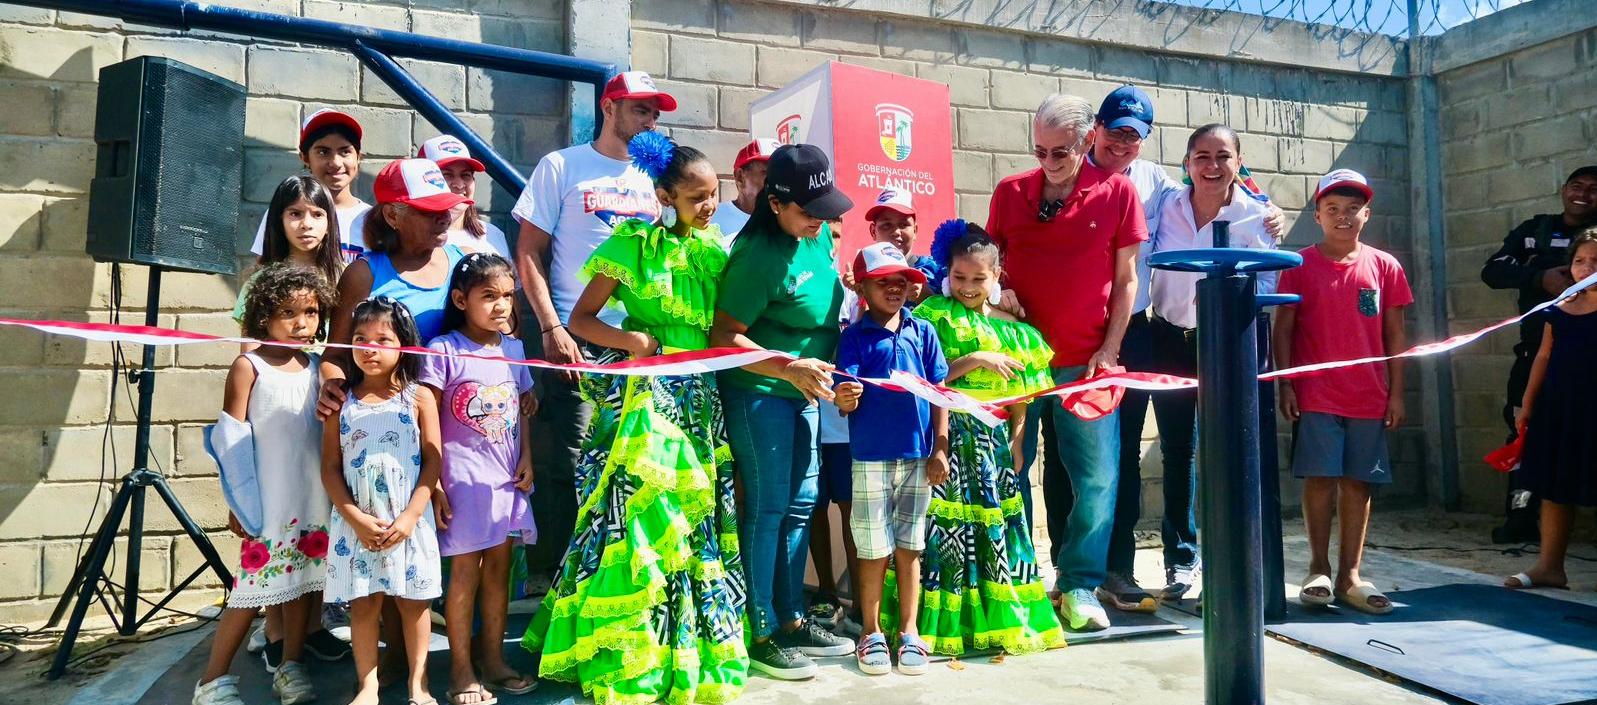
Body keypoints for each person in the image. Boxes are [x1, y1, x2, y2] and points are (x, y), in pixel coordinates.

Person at [523, 132, 748, 704]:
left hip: (700, 400)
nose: (708, 206)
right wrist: (632, 339)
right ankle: (627, 648)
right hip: (648, 397)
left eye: (714, 194)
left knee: (690, 524)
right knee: (642, 517)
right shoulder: (634, 243)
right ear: (665, 195)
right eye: (697, 197)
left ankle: (683, 646)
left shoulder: (715, 249)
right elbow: (582, 320)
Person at [985, 94, 1146, 632]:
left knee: (1098, 479)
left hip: (1086, 364)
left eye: (1059, 152)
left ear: (1085, 142)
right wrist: (998, 293)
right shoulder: (1010, 193)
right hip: (1017, 366)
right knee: (1011, 473)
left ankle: (1079, 584)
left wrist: (1110, 350)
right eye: (1038, 151)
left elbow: (1126, 282)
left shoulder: (1118, 192)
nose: (1048, 161)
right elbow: (989, 269)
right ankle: (1022, 580)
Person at [511, 71, 671, 589]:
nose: (649, 120)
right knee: (579, 464)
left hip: (646, 345)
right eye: (640, 109)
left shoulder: (659, 179)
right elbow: (528, 252)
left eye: (654, 112)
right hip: (578, 339)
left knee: (640, 466)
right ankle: (568, 585)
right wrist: (551, 326)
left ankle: (622, 583)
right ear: (609, 107)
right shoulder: (562, 166)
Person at [710, 143, 856, 679]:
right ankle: (761, 628)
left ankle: (793, 617)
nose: (820, 220)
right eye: (808, 210)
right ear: (774, 204)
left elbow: (825, 317)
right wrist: (787, 367)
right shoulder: (756, 256)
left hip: (806, 396)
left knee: (801, 504)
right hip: (761, 395)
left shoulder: (813, 239)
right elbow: (724, 336)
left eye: (825, 210)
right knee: (769, 507)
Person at [901, 220, 1066, 657]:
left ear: (997, 277)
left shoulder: (1015, 330)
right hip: (948, 435)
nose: (968, 287)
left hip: (994, 443)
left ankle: (998, 613)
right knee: (948, 528)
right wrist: (973, 359)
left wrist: (1016, 441)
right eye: (959, 278)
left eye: (979, 278)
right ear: (946, 273)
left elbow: (1022, 398)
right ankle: (949, 620)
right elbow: (921, 379)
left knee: (995, 523)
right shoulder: (930, 316)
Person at [1141, 124, 1279, 605]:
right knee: (1179, 451)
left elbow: (1265, 287)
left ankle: (1234, 560)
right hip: (1170, 340)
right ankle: (1182, 560)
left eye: (1223, 156)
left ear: (1240, 162)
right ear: (1187, 162)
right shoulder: (1166, 206)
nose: (1212, 166)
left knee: (1230, 450)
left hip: (1228, 343)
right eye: (1202, 156)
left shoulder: (1257, 217)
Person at [192, 265, 336, 705]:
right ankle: (212, 681)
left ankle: (291, 668)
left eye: (310, 312)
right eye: (288, 312)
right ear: (262, 315)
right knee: (251, 592)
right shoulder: (247, 366)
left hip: (312, 498)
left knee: (301, 586)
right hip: (268, 503)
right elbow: (231, 442)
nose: (301, 322)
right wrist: (240, 502)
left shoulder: (317, 369)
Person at [1274, 169, 1411, 616]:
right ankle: (1317, 570)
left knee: (1359, 482)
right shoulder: (1298, 267)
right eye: (1333, 209)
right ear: (1317, 215)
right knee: (1320, 478)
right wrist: (1287, 383)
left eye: (1353, 209)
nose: (1343, 217)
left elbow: (1395, 335)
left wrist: (1396, 393)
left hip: (1369, 396)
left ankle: (1350, 574)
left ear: (1366, 215)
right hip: (1316, 395)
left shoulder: (1384, 266)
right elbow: (1284, 331)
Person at [420, 253, 538, 703]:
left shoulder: (513, 349)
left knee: (500, 573)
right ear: (460, 299)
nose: (501, 306)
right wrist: (432, 480)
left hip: (508, 480)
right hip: (463, 481)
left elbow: (522, 406)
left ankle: (493, 660)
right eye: (489, 296)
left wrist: (527, 454)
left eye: (507, 296)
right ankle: (461, 670)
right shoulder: (443, 350)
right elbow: (425, 412)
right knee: (465, 574)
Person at [831, 241, 949, 676]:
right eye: (883, 282)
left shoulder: (925, 333)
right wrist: (845, 397)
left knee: (910, 545)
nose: (894, 289)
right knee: (873, 548)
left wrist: (940, 447)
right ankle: (871, 633)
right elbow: (846, 397)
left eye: (901, 281)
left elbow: (940, 395)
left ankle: (910, 633)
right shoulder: (854, 338)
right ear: (862, 287)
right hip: (871, 459)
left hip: (919, 458)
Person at [321, 298, 445, 705]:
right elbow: (330, 469)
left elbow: (433, 462)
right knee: (363, 605)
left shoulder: (420, 398)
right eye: (360, 339)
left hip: (408, 521)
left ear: (404, 344)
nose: (369, 348)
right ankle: (368, 685)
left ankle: (419, 684)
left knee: (414, 605)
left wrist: (411, 515)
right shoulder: (341, 402)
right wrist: (354, 518)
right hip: (357, 526)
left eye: (382, 339)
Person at [1480, 166, 1597, 544]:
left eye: (1594, 190)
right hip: (1537, 352)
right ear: (1563, 190)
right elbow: (1493, 271)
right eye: (1577, 186)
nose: (1583, 194)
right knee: (1524, 429)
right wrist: (1538, 278)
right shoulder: (1536, 230)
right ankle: (1521, 515)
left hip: (1588, 359)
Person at [319, 157, 472, 417]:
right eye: (429, 210)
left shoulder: (467, 266)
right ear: (392, 215)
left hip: (461, 428)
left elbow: (498, 343)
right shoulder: (362, 275)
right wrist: (332, 386)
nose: (444, 218)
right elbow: (335, 356)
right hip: (387, 426)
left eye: (445, 207)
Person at [1506, 228, 1597, 590]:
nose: (1585, 267)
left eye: (1595, 261)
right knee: (1555, 487)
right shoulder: (1557, 309)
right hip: (1560, 409)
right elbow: (1542, 357)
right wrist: (1527, 405)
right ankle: (1549, 567)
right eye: (1579, 261)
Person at [250, 109, 371, 262]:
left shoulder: (372, 220)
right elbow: (264, 269)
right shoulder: (285, 211)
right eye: (323, 152)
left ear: (359, 157)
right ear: (305, 157)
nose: (335, 163)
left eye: (345, 151)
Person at [420, 135, 513, 259]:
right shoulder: (413, 239)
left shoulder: (492, 235)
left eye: (465, 175)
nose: (459, 185)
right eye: (447, 175)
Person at [708, 138, 779, 245]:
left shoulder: (790, 223)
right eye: (768, 173)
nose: (778, 181)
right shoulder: (711, 219)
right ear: (740, 176)